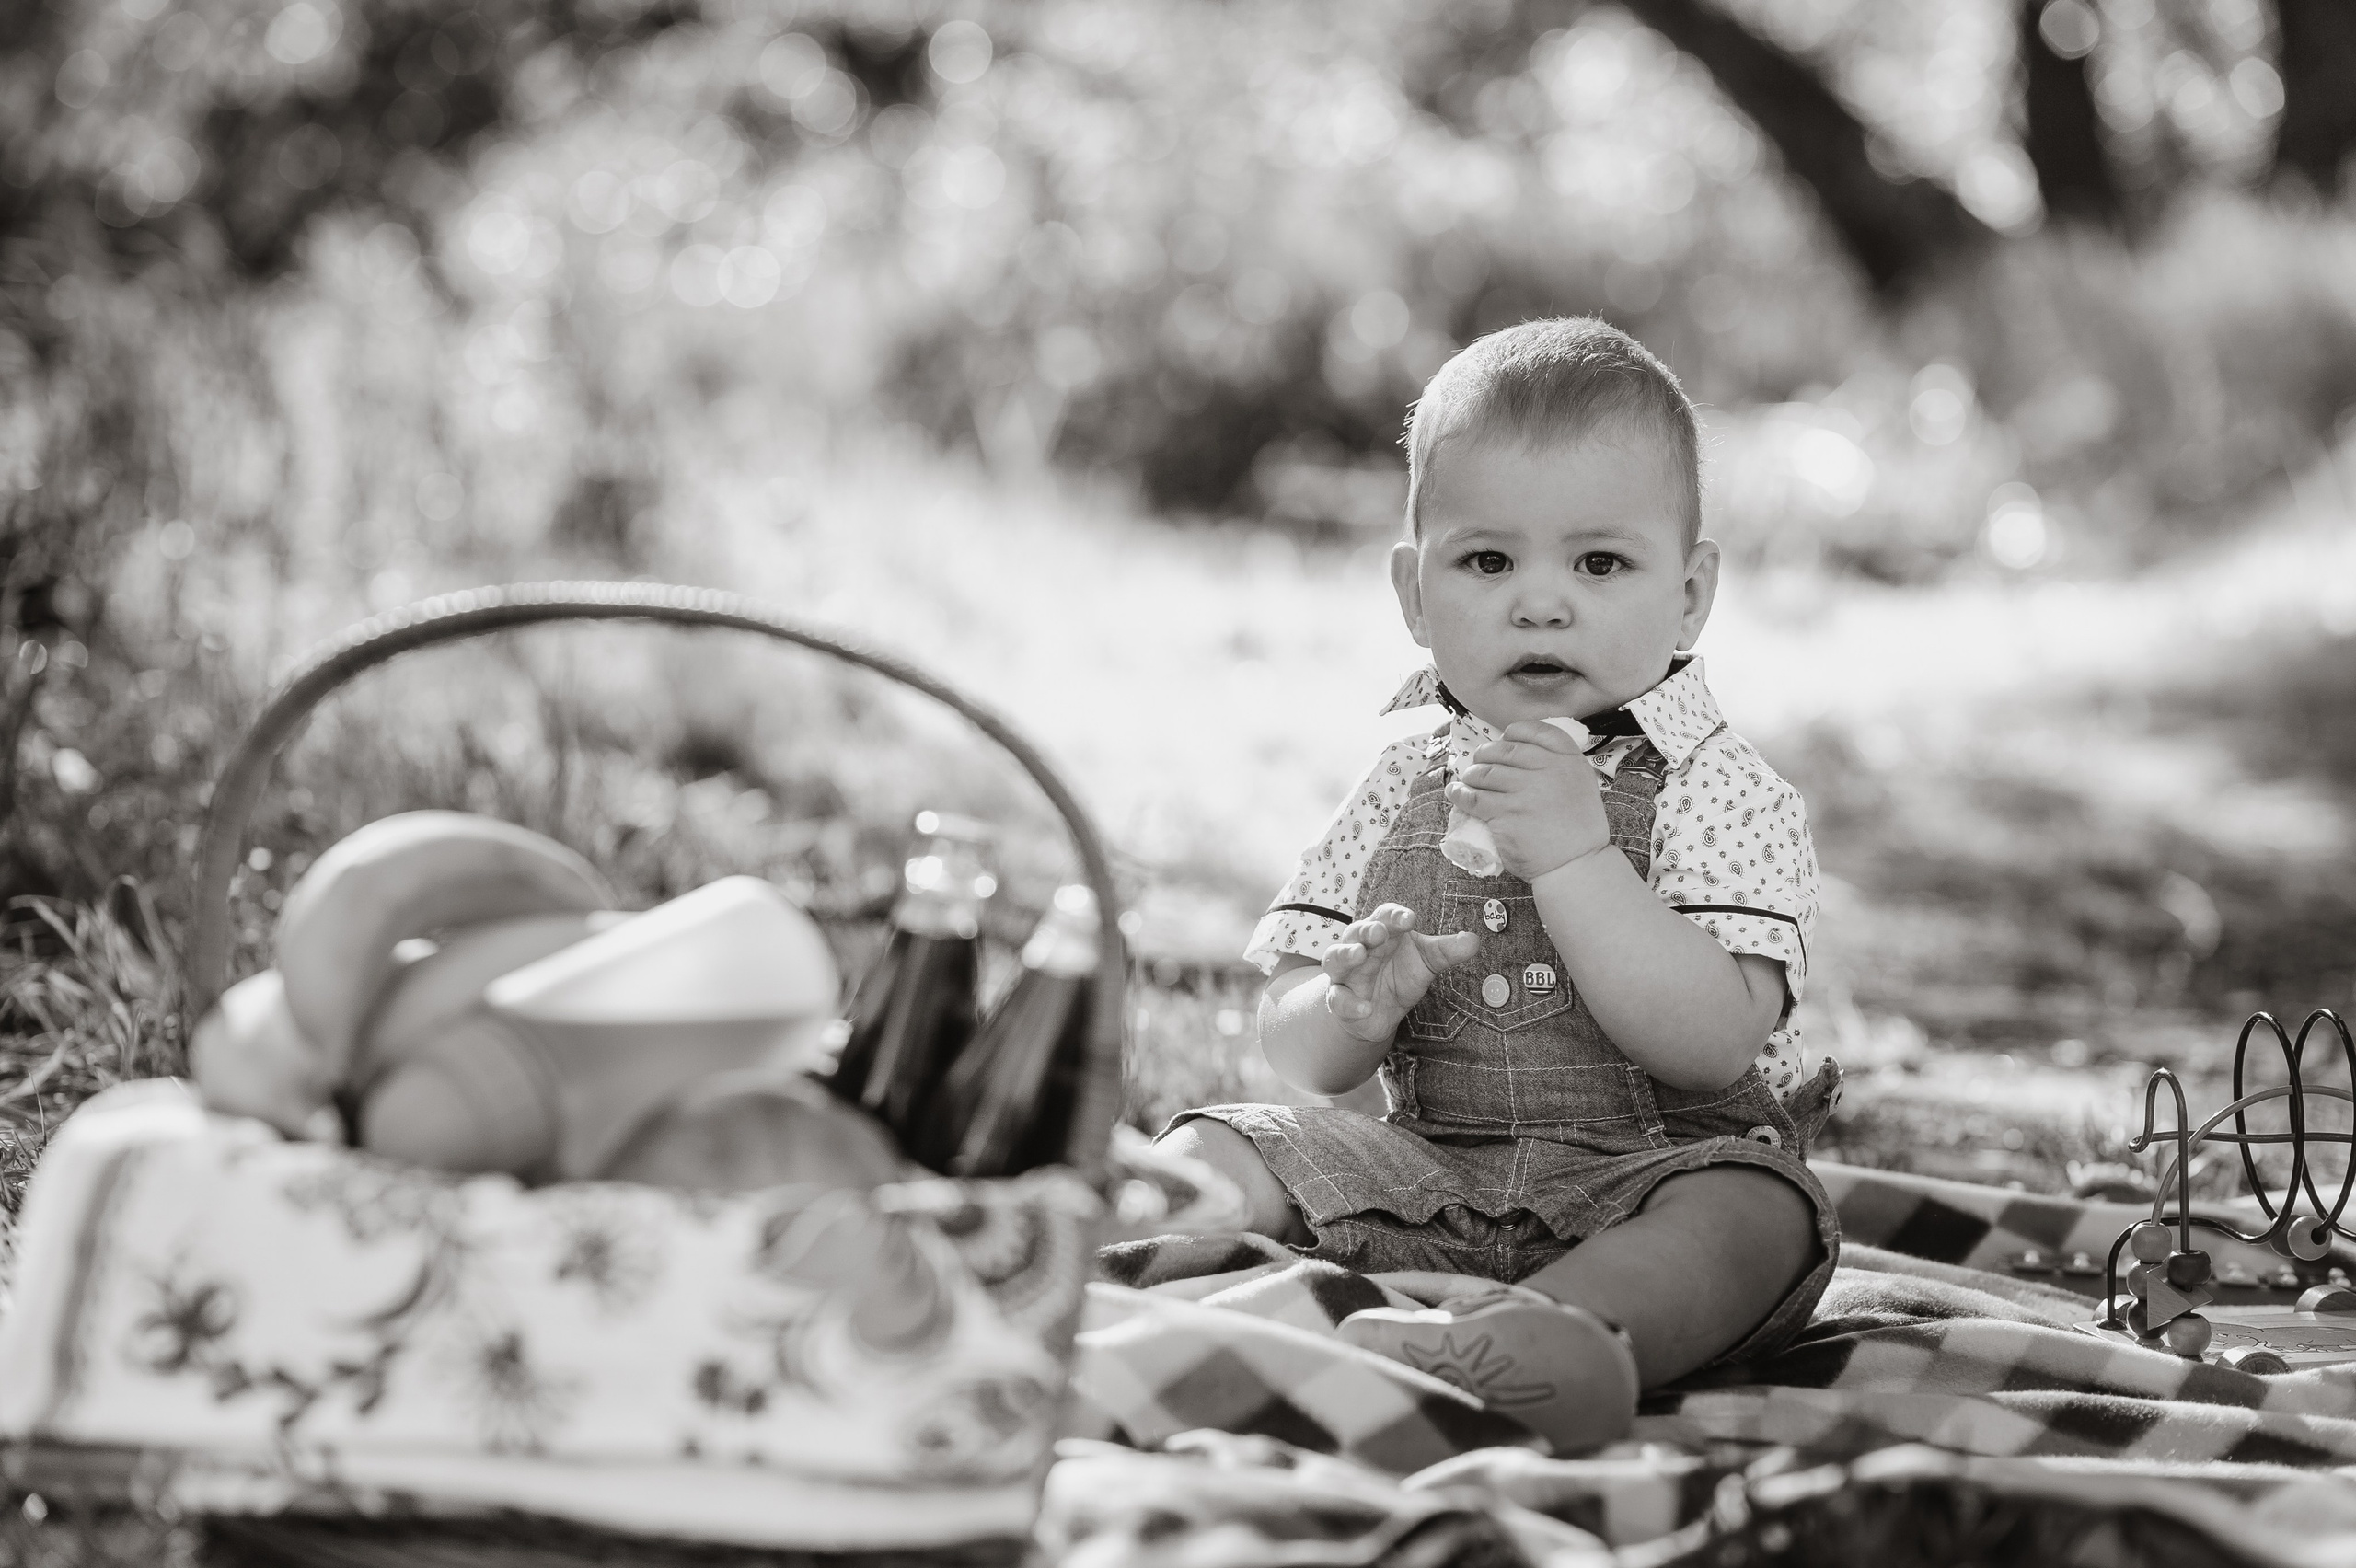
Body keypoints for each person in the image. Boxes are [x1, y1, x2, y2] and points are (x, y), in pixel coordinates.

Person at [1159, 317, 1842, 1452]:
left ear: (1688, 594)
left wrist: (1579, 860)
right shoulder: (1400, 784)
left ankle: (1556, 1337)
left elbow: (1712, 1042)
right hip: (1430, 1174)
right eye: (1487, 562)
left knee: (1758, 1214)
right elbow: (1298, 1053)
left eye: (1598, 563)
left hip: (1646, 1177)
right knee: (1222, 1140)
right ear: (1415, 594)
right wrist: (1344, 1009)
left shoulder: (1717, 789)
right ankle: (1121, 1258)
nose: (1540, 603)